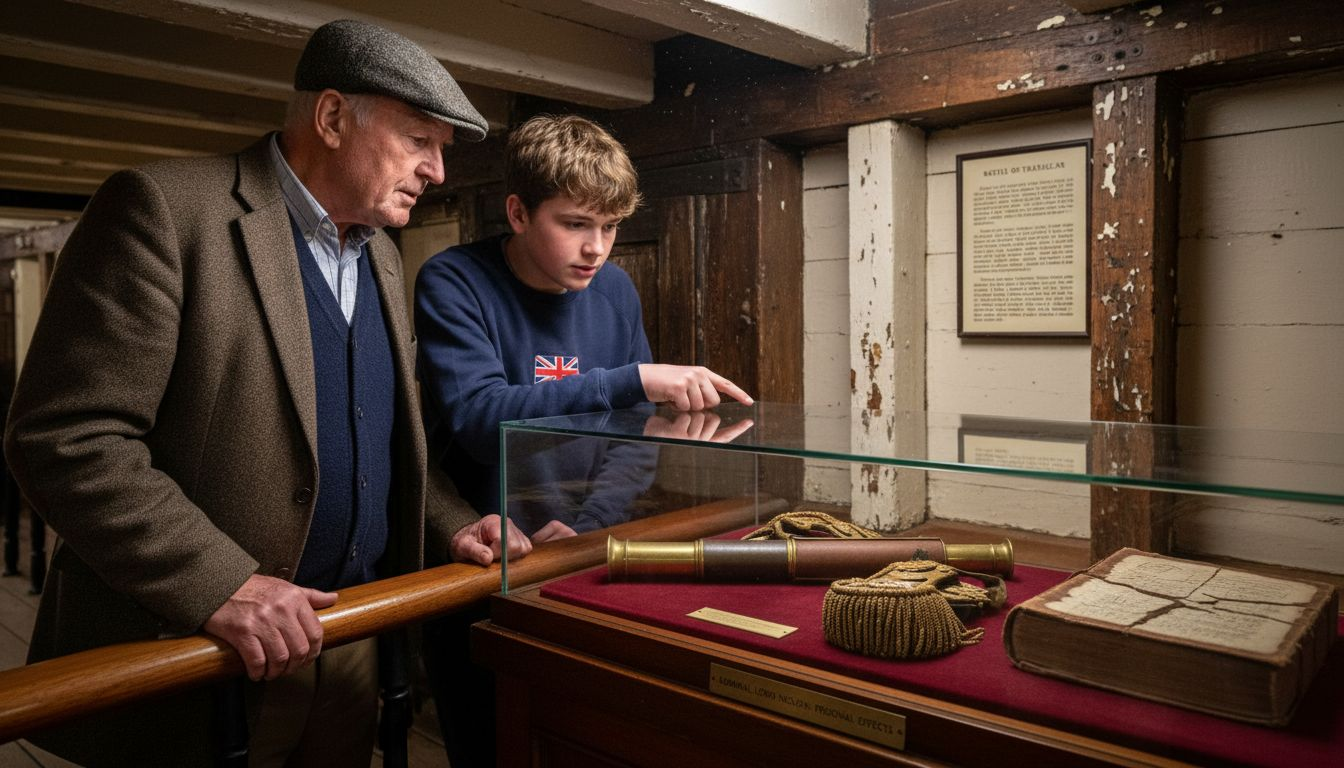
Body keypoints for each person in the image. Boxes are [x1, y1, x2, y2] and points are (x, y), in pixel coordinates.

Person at [2, 19, 528, 768]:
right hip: (197, 648)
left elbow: (380, 436)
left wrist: (454, 524)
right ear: (333, 118)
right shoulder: (163, 210)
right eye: (420, 140)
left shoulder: (381, 253)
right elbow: (65, 438)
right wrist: (220, 584)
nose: (437, 171)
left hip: (348, 634)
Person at [413, 113, 753, 766]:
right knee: (487, 745)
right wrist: (630, 379)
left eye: (611, 226)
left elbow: (633, 439)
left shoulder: (614, 289)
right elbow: (482, 423)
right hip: (478, 563)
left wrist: (591, 528)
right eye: (575, 224)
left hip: (583, 555)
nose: (597, 248)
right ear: (518, 212)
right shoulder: (453, 281)